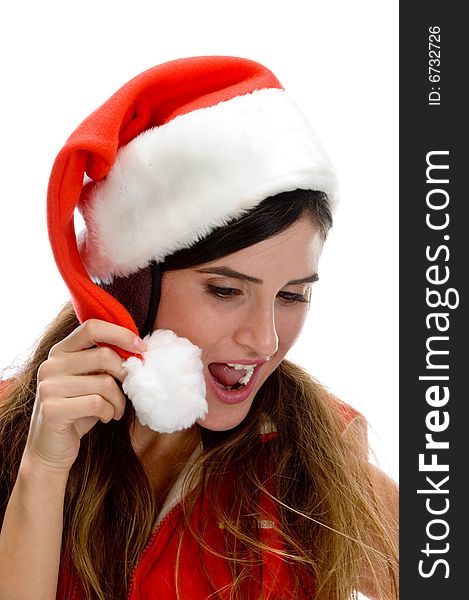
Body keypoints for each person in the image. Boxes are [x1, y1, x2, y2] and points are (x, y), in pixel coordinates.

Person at [0, 56, 398, 599]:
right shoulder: (13, 433)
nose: (265, 339)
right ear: (133, 289)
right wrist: (42, 470)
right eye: (226, 291)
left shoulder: (315, 451)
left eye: (292, 295)